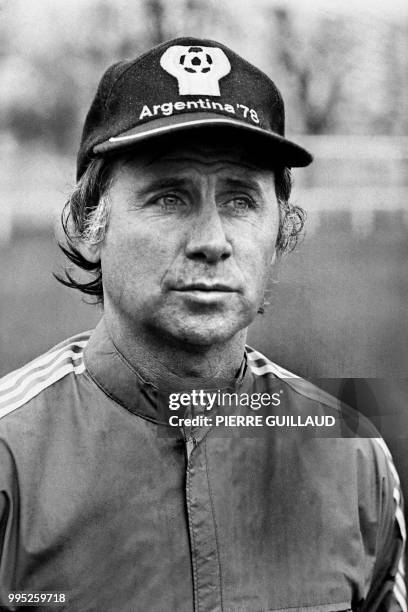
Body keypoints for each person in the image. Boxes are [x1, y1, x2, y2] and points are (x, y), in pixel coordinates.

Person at [0, 37, 405, 612]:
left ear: (280, 233)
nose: (213, 241)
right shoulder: (9, 456)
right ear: (90, 223)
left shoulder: (350, 452)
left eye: (241, 201)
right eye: (168, 197)